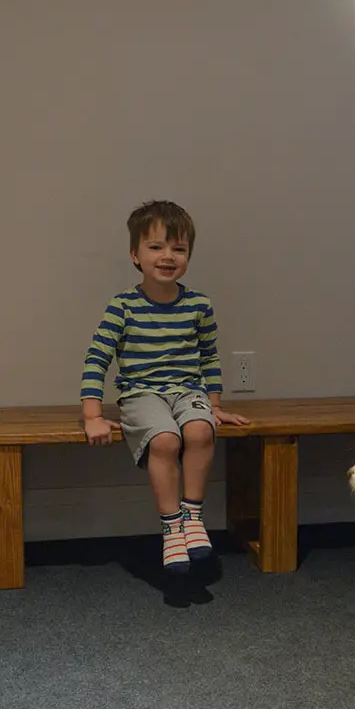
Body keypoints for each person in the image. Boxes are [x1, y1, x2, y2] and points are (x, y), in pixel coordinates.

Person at [81, 200, 250, 571]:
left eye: (179, 248)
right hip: (141, 394)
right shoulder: (122, 306)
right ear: (135, 255)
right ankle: (172, 527)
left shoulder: (199, 305)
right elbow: (97, 359)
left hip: (187, 391)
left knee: (201, 430)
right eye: (156, 247)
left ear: (188, 255)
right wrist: (92, 414)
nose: (167, 256)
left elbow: (209, 358)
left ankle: (192, 517)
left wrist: (215, 404)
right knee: (165, 440)